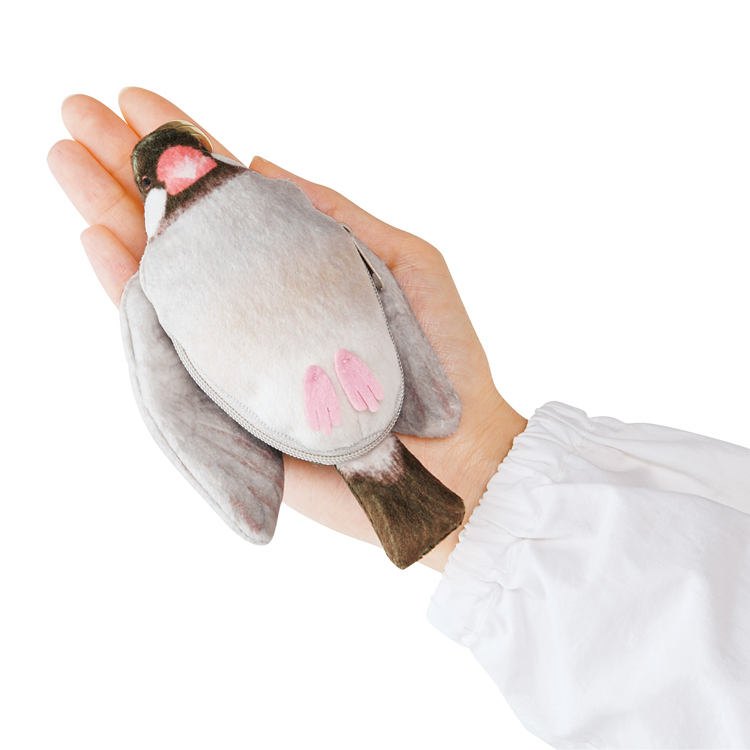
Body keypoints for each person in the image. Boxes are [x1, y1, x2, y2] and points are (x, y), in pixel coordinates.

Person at [48, 88, 750, 749]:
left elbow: (173, 391)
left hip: (350, 399)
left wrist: (459, 447)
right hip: (371, 388)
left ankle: (390, 474)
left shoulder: (165, 271)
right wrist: (446, 424)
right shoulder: (258, 213)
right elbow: (188, 381)